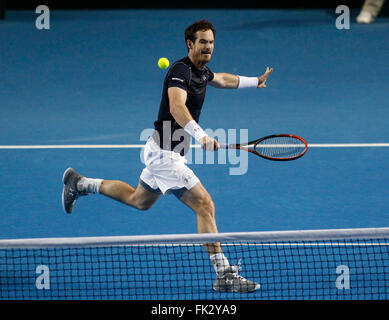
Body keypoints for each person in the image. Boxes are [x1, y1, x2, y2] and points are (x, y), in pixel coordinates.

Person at [62, 20, 273, 293]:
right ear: (190, 44)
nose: (208, 47)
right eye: (203, 42)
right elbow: (176, 107)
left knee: (139, 200)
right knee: (205, 205)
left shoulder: (202, 72)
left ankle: (79, 183)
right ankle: (224, 274)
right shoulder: (179, 71)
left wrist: (254, 81)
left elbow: (222, 78)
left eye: (211, 42)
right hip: (165, 155)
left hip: (163, 152)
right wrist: (201, 136)